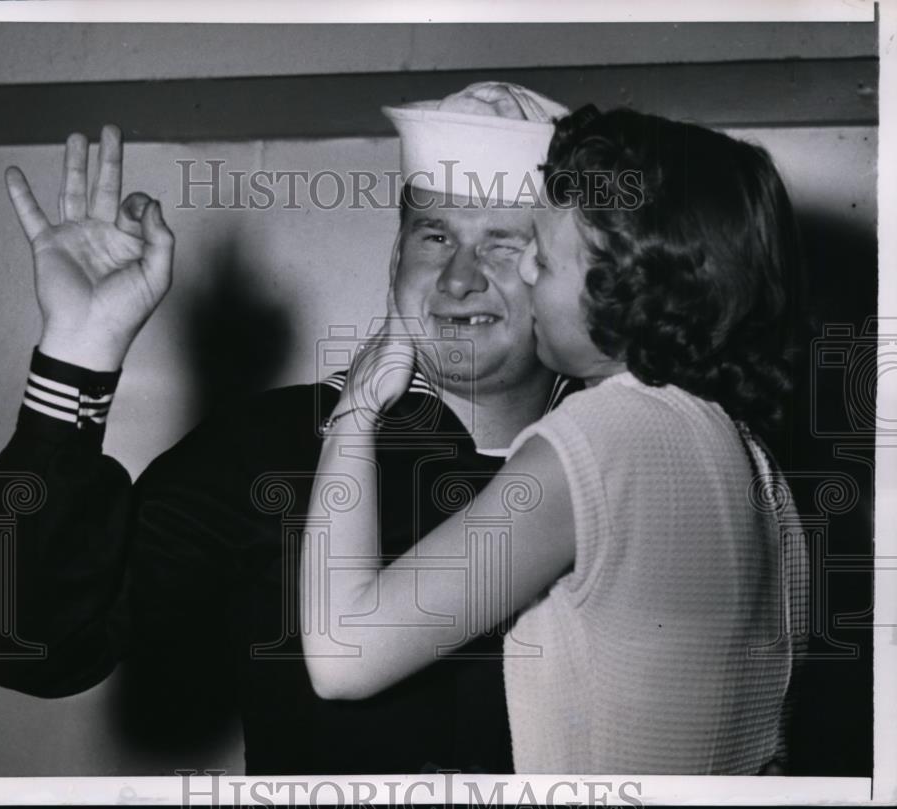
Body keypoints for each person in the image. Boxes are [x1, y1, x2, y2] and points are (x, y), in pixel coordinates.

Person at [0, 83, 578, 774]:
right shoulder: (269, 447)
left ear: (568, 277)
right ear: (395, 261)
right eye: (435, 235)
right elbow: (31, 646)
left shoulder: (625, 453)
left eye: (504, 242)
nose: (460, 277)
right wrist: (78, 355)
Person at [300, 106, 810, 774]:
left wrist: (357, 411)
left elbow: (342, 656)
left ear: (627, 282)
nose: (529, 278)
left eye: (543, 256)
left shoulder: (595, 441)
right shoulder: (755, 461)